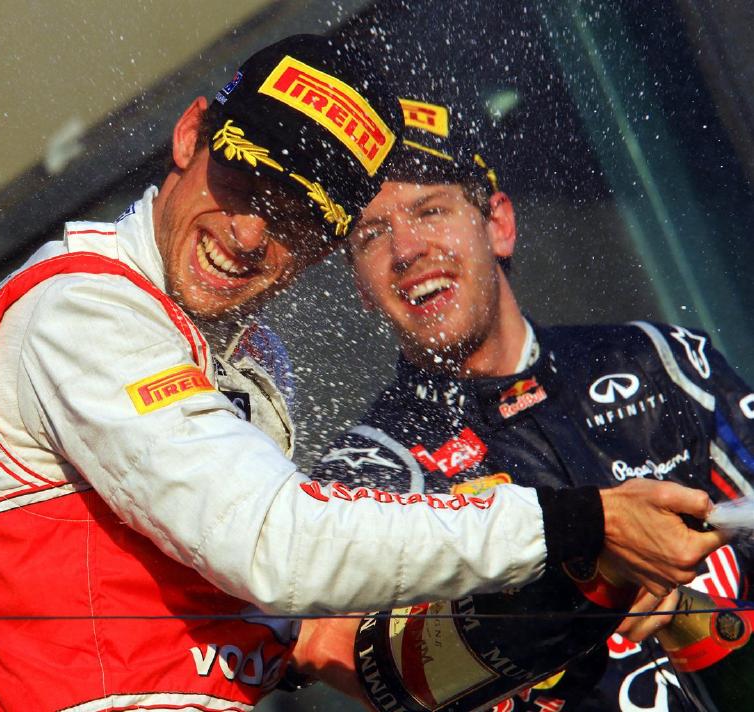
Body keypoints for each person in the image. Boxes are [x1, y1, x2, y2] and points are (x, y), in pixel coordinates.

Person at [0, 36, 724, 711]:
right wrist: (575, 525)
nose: (249, 234)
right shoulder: (84, 310)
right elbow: (276, 547)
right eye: (243, 181)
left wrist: (572, 592)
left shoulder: (242, 358)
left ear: (324, 249)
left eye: (295, 218)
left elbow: (321, 638)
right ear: (189, 136)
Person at [308, 96, 754, 710]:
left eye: (431, 209)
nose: (406, 249)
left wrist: (702, 587)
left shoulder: (657, 360)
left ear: (498, 225)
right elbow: (349, 660)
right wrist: (586, 577)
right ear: (360, 284)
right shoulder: (369, 472)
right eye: (372, 234)